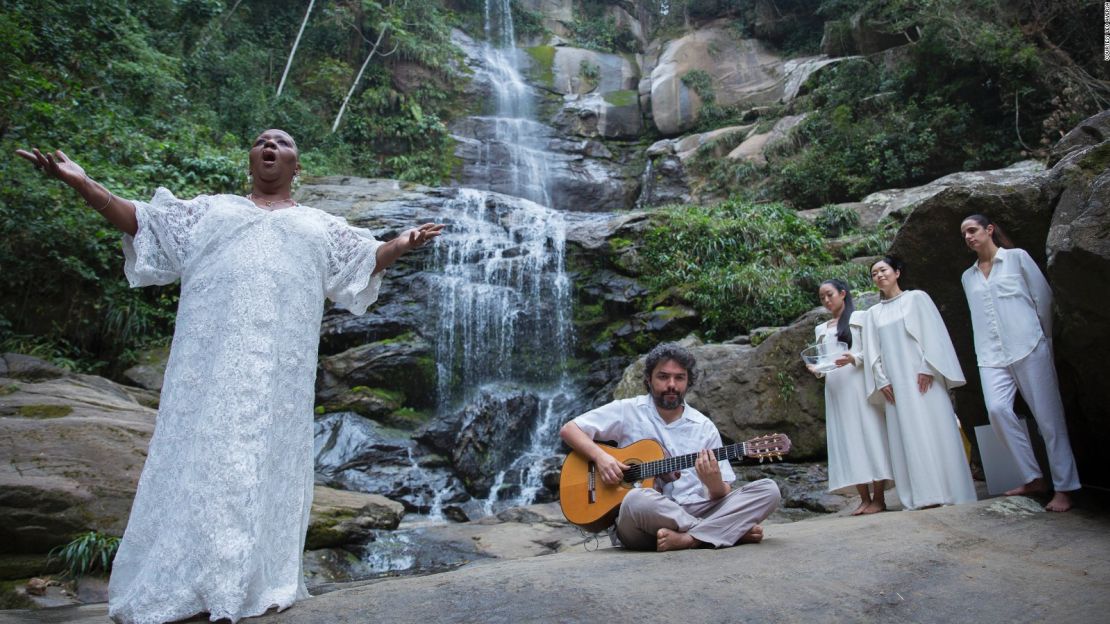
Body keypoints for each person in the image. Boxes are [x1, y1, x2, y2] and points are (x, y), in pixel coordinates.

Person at [16, 131, 444, 624]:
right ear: (250, 158)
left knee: (262, 462)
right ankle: (188, 580)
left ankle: (245, 579)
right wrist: (84, 184)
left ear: (295, 165)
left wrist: (400, 244)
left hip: (279, 374)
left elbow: (363, 260)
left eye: (281, 143)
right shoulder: (211, 210)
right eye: (262, 141)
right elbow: (142, 222)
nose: (269, 146)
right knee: (200, 458)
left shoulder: (318, 225)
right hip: (206, 365)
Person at [558, 342, 781, 552]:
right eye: (663, 377)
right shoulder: (628, 410)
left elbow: (721, 493)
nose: (671, 385)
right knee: (636, 499)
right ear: (649, 379)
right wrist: (601, 458)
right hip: (643, 520)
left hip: (696, 507)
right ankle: (721, 531)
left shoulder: (704, 427)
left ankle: (690, 539)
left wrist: (713, 484)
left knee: (768, 490)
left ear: (688, 381)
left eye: (679, 378)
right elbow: (570, 429)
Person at [959, 214, 1080, 512]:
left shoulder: (1017, 259)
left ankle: (1064, 488)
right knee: (998, 411)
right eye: (964, 234)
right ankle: (1033, 476)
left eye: (972, 230)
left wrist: (1044, 341)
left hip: (1029, 346)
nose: (968, 237)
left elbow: (1044, 299)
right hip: (991, 356)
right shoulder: (968, 276)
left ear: (989, 230)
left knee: (1049, 419)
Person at [863, 257, 977, 510]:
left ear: (897, 272)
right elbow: (873, 352)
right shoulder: (873, 313)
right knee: (907, 435)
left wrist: (928, 368)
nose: (879, 275)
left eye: (883, 270)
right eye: (874, 273)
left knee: (936, 429)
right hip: (895, 385)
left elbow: (934, 334)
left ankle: (950, 491)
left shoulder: (917, 298)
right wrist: (881, 380)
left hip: (924, 379)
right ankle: (921, 495)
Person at [810, 279, 893, 515]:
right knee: (847, 441)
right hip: (835, 388)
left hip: (857, 384)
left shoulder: (861, 318)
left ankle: (879, 497)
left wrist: (854, 358)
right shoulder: (821, 329)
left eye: (830, 295)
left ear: (843, 293)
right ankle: (864, 498)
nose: (826, 300)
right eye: (822, 297)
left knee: (870, 435)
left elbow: (876, 351)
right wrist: (816, 370)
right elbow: (824, 360)